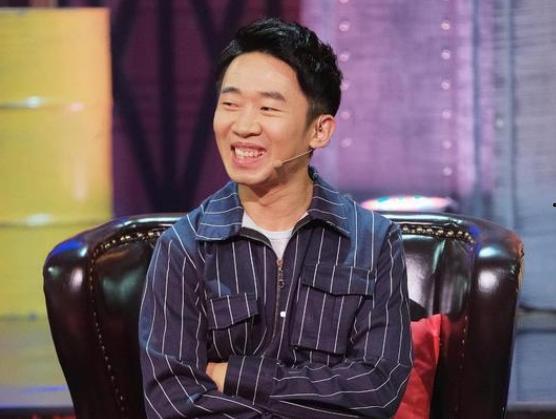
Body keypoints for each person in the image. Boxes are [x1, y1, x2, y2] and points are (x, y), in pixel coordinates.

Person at [139, 17, 412, 418]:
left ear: (319, 131)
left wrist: (236, 375)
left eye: (268, 108)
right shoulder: (185, 246)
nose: (243, 126)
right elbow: (171, 401)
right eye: (230, 104)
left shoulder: (373, 241)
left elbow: (376, 389)